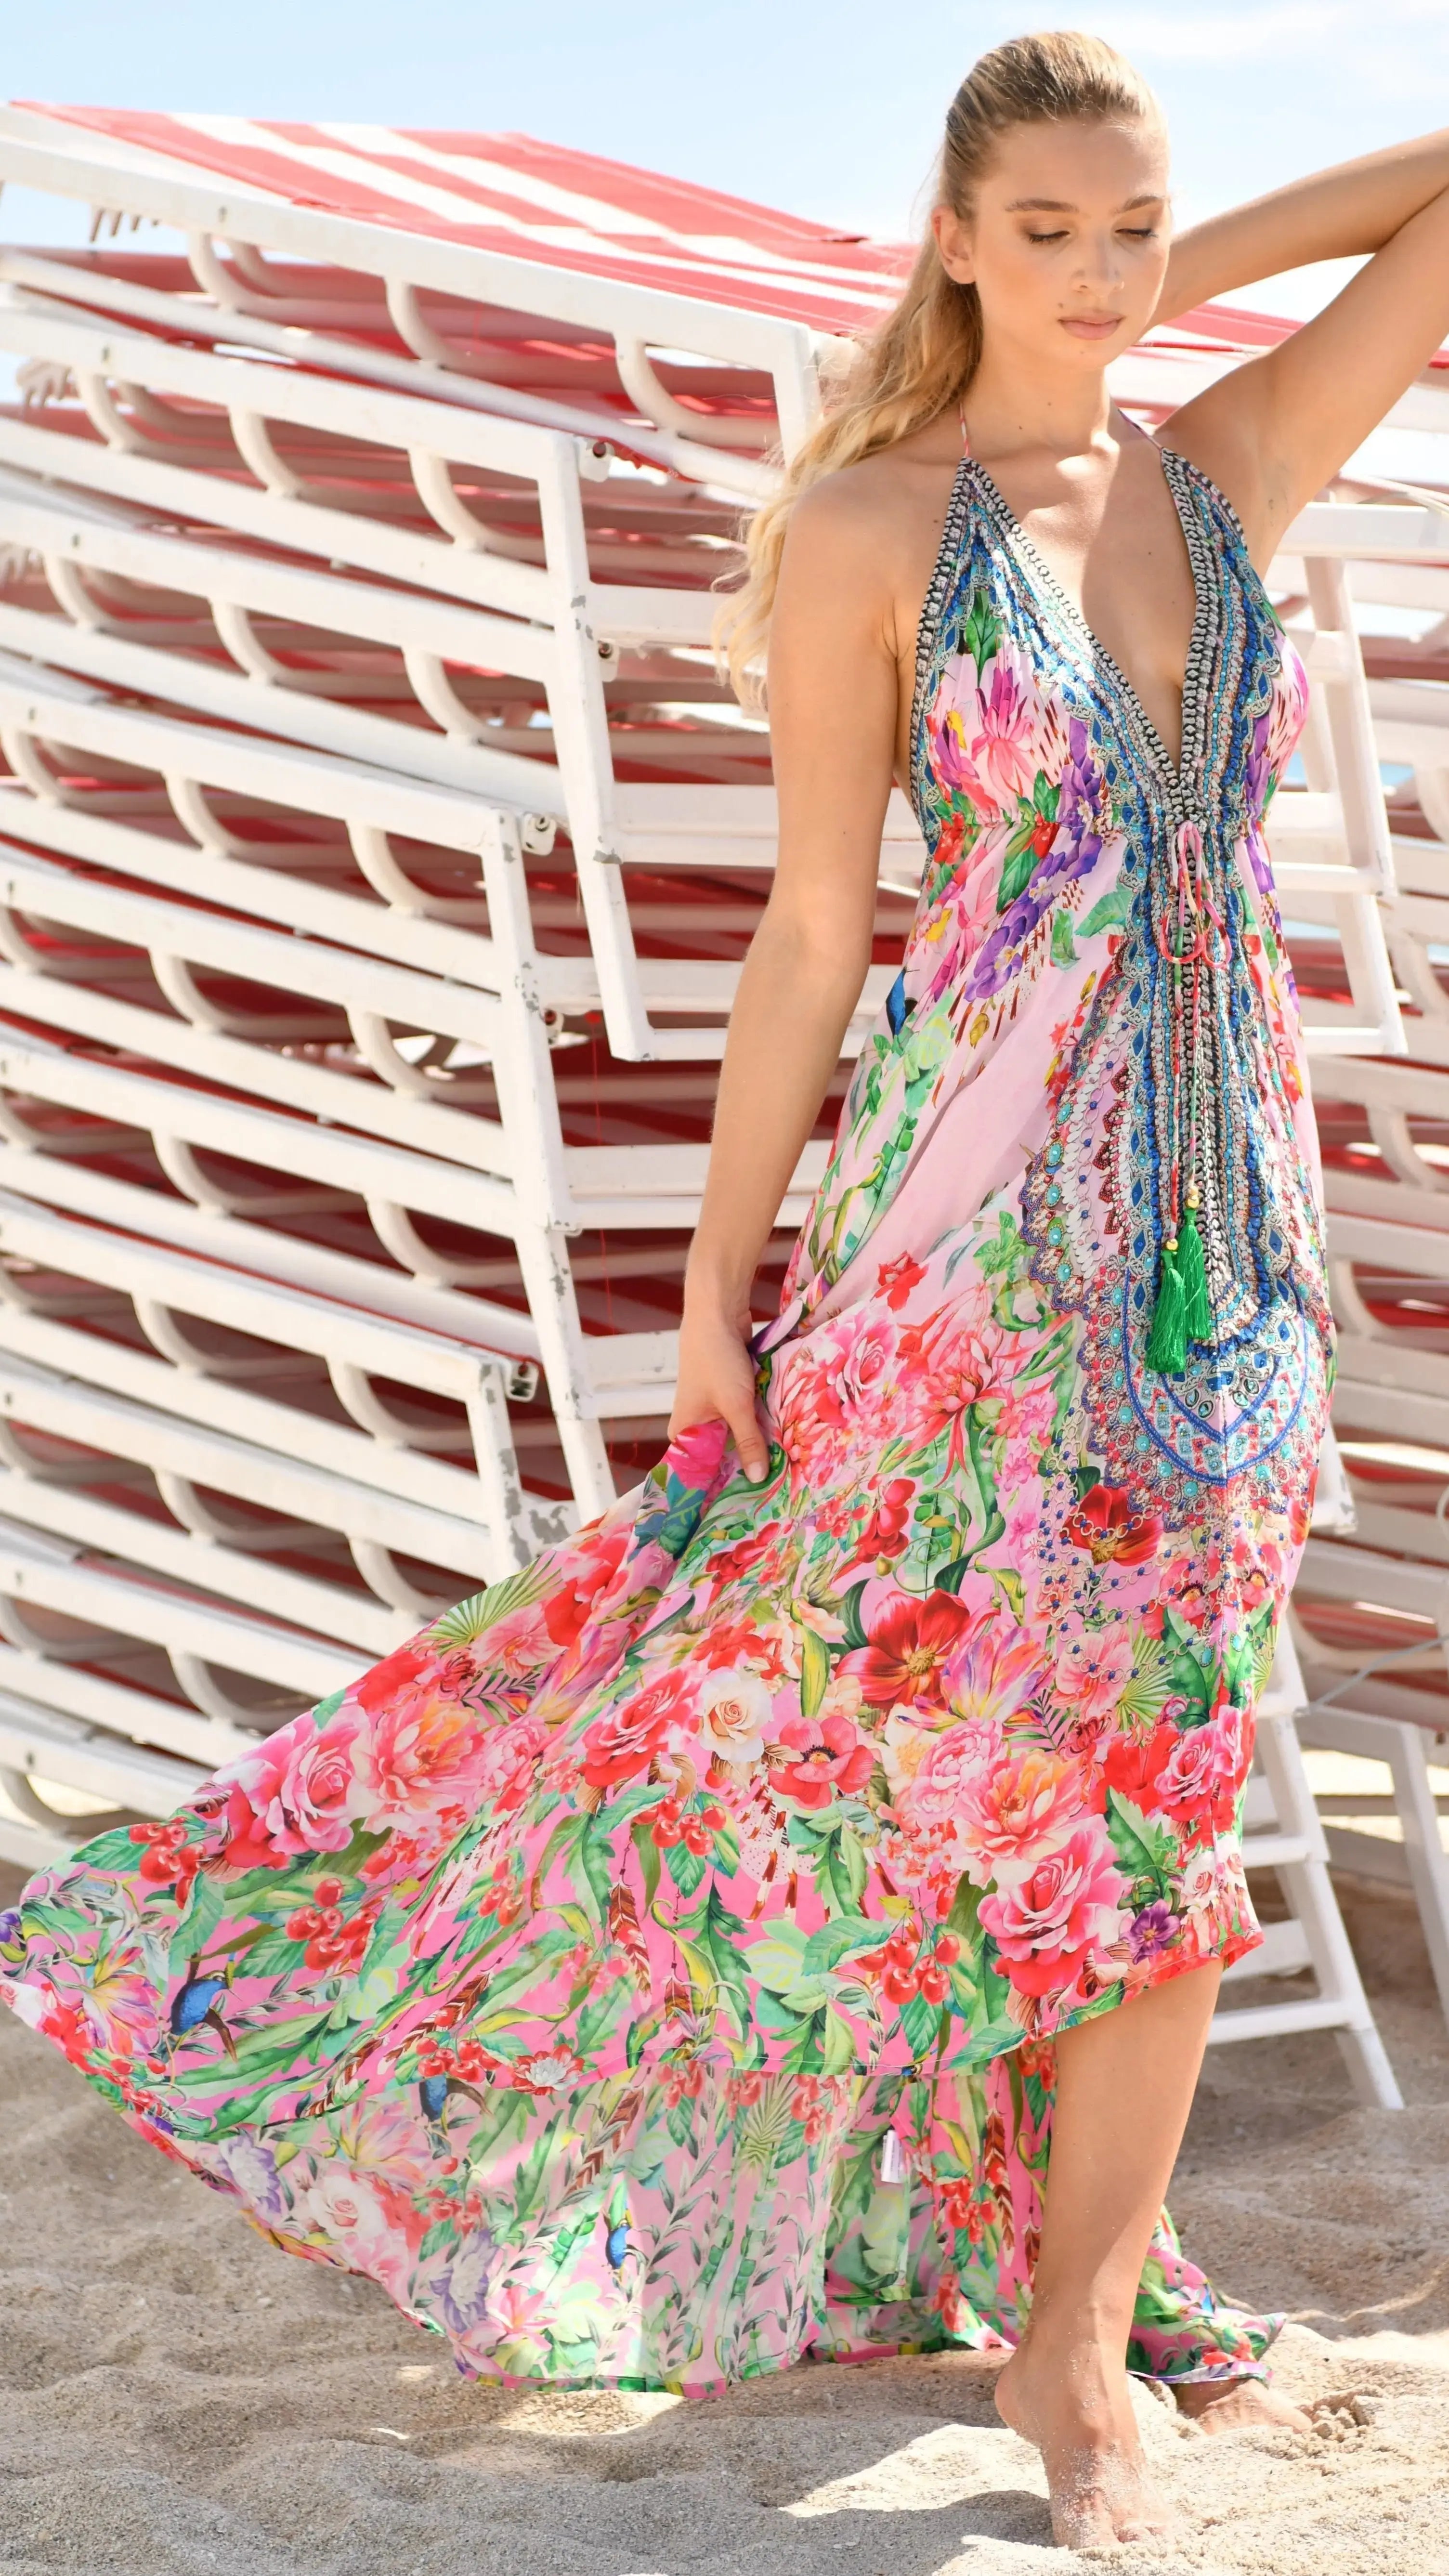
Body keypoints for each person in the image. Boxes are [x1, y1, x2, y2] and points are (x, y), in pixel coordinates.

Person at [3, 30, 1448, 2550]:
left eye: (1135, 226)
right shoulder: (875, 529)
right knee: (759, 1705)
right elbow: (807, 934)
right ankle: (849, 2200)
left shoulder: (1215, 480)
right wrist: (707, 1298)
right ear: (952, 238)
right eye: (1051, 233)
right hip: (951, 1250)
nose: (1103, 271)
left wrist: (1147, 304)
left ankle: (1076, 2342)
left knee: (1178, 1756)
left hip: (1212, 1242)